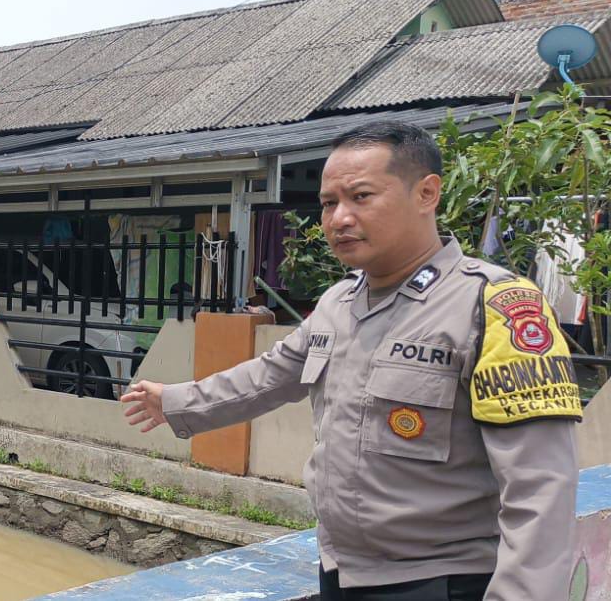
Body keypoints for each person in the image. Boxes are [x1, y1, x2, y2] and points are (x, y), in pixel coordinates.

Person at [120, 121, 581, 601]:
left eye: (361, 197)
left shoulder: (494, 307)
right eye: (328, 203)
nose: (339, 218)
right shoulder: (339, 303)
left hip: (441, 581)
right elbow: (270, 375)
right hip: (341, 571)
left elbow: (540, 488)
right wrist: (176, 401)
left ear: (426, 193)